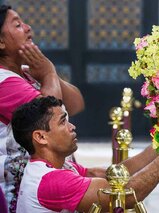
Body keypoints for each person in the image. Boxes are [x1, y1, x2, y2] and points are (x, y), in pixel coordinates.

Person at [11, 96, 159, 212]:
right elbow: (124, 194)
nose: (72, 127)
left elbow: (113, 175)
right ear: (40, 137)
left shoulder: (59, 166)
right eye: (63, 122)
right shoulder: (51, 181)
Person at [0, 5, 85, 212]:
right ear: (1, 42)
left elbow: (75, 104)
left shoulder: (27, 73)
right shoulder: (4, 82)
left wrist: (49, 72)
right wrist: (48, 74)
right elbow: (49, 115)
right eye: (18, 25)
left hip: (50, 182)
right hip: (23, 190)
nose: (28, 28)